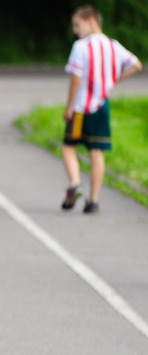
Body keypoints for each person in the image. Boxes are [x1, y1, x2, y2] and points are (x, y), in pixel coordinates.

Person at [60, 4, 142, 214]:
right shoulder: (114, 46)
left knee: (69, 147)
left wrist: (69, 106)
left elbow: (76, 79)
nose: (75, 30)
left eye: (77, 25)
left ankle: (75, 183)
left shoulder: (81, 46)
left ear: (91, 20)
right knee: (97, 152)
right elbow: (136, 64)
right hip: (102, 105)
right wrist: (113, 80)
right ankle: (93, 200)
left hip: (81, 108)